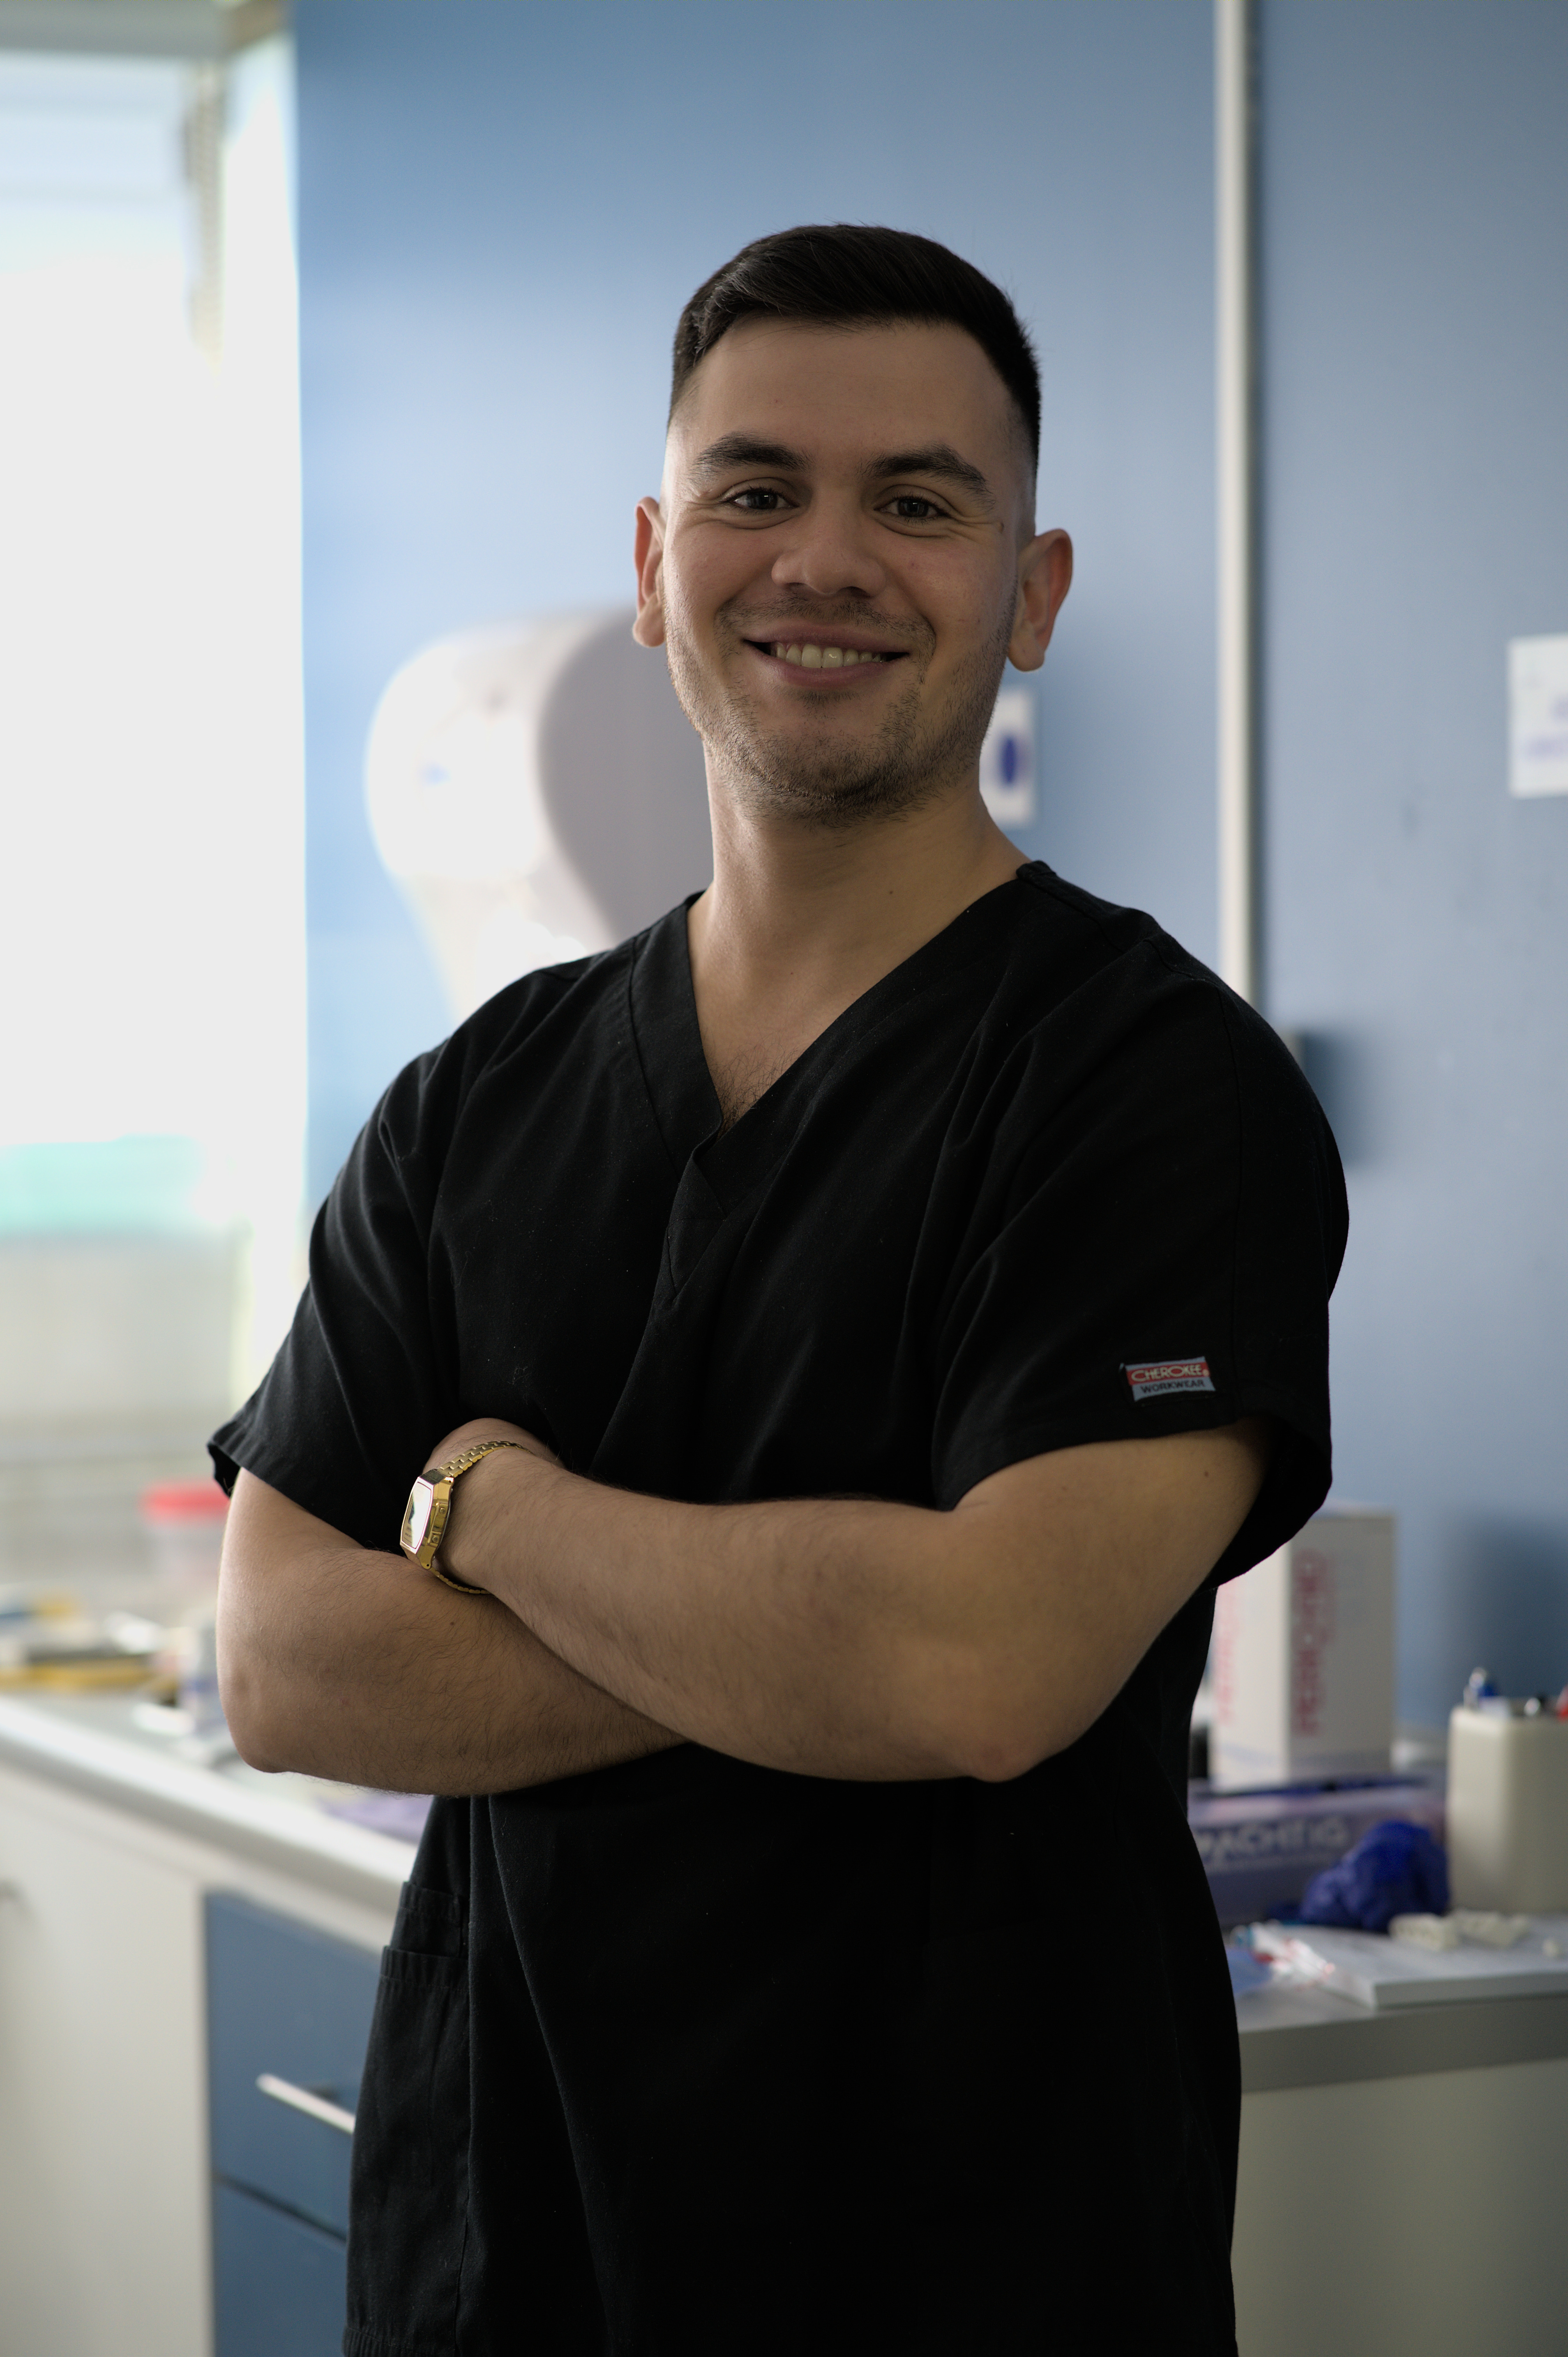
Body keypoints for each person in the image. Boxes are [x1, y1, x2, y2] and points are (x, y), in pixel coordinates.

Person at [214, 224, 1346, 2355]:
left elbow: (982, 1674)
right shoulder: (475, 1099)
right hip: (504, 2245)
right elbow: (285, 1667)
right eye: (753, 490)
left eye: (916, 502)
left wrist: (494, 1517)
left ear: (1031, 595)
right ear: (655, 564)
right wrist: (829, 1639)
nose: (821, 557)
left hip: (965, 2254)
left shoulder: (1150, 1091)